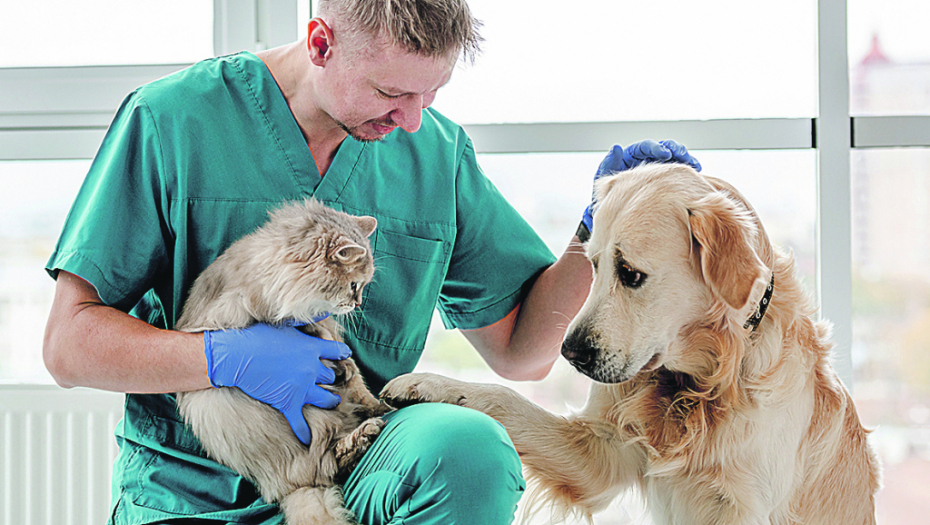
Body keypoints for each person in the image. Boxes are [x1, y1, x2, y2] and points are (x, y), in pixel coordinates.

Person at [42, 1, 699, 523]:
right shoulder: (173, 122)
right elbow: (68, 345)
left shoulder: (434, 154)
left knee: (468, 452)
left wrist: (596, 229)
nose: (412, 121)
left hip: (357, 463)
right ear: (321, 43)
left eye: (430, 94)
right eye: (391, 93)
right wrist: (221, 356)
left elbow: (522, 350)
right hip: (189, 490)